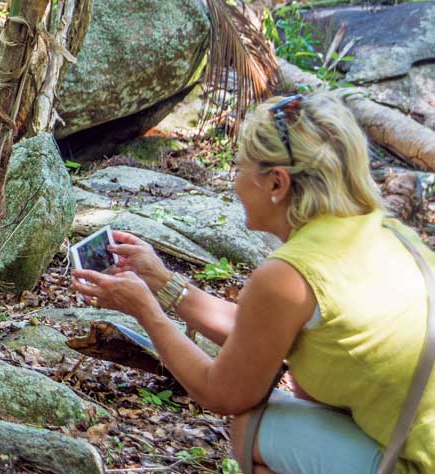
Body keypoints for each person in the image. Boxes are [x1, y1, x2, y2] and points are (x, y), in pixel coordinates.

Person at [72, 92, 433, 473]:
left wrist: (145, 309)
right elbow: (257, 332)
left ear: (277, 184)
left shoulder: (289, 274)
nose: (235, 182)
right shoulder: (387, 233)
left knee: (252, 429)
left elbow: (223, 393)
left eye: (240, 166)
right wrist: (162, 282)